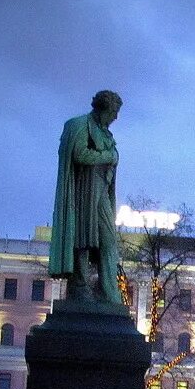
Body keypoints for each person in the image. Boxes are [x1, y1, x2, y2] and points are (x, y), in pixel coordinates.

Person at [49, 90, 123, 302]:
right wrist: (107, 156)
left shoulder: (107, 134)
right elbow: (79, 153)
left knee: (108, 241)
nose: (115, 117)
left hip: (101, 190)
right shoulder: (80, 125)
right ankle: (80, 287)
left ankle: (109, 292)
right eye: (113, 111)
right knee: (82, 237)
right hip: (82, 191)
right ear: (102, 108)